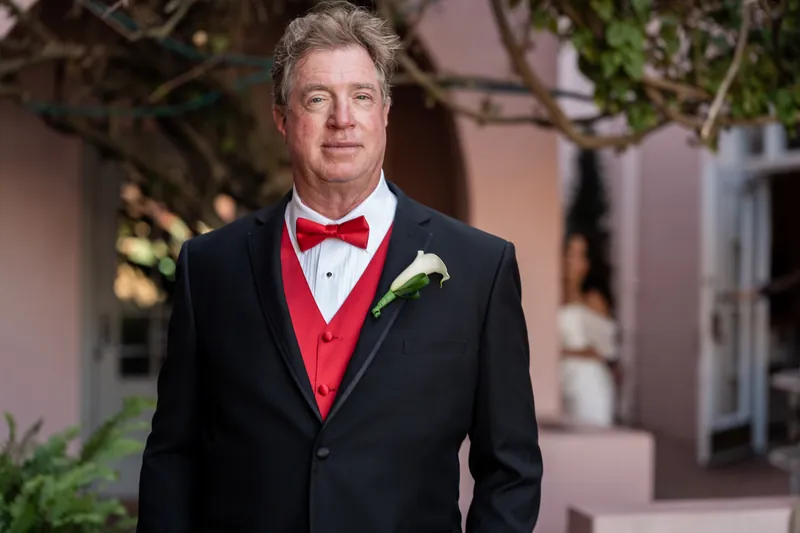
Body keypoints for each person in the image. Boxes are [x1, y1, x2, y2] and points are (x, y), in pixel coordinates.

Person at [136, 2, 543, 532]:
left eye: (361, 96)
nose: (342, 119)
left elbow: (510, 471)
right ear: (282, 119)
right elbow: (173, 456)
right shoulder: (207, 269)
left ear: (385, 114)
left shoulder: (481, 269)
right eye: (318, 98)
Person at [559, 231, 620, 427]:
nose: (570, 261)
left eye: (579, 255)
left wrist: (560, 352)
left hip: (587, 383)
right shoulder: (552, 297)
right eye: (568, 252)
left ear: (587, 263)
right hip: (558, 381)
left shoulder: (593, 300)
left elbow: (604, 349)